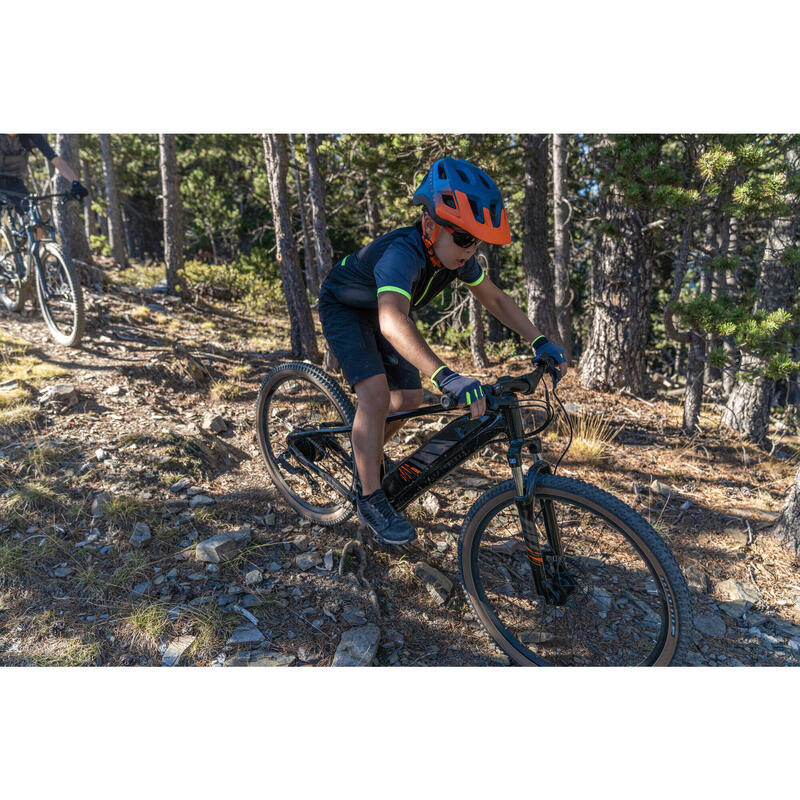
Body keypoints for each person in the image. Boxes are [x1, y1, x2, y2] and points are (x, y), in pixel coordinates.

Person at [318, 157, 568, 546]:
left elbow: (495, 299)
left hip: (385, 311)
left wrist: (540, 340)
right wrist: (446, 375)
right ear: (431, 225)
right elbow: (391, 321)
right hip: (348, 308)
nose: (471, 249)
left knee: (410, 398)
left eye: (477, 240)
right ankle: (369, 498)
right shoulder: (403, 253)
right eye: (464, 238)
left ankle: (361, 451)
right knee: (375, 395)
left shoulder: (454, 257)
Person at [0, 134, 88, 218]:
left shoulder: (30, 135)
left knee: (35, 218)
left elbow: (55, 159)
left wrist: (75, 182)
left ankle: (34, 232)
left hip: (15, 182)